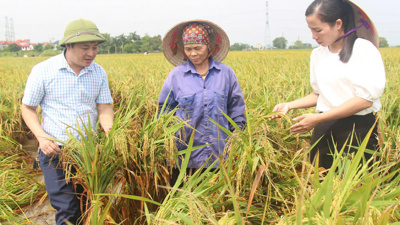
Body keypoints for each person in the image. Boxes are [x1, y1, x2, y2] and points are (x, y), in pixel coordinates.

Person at [270, 0, 385, 170]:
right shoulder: (317, 54)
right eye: (311, 30)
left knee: (357, 188)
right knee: (321, 183)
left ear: (338, 24)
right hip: (324, 130)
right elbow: (319, 94)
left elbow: (365, 100)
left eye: (318, 30)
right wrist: (289, 105)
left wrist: (319, 118)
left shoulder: (364, 50)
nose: (314, 36)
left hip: (356, 130)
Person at [21, 19, 114, 225]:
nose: (91, 53)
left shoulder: (98, 72)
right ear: (68, 46)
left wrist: (109, 130)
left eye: (95, 47)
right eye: (85, 48)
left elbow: (104, 106)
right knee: (67, 207)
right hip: (54, 150)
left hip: (88, 151)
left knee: (87, 206)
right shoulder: (44, 70)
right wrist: (42, 138)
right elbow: (28, 108)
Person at [158, 20, 246, 185]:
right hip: (184, 158)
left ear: (209, 47)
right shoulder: (176, 76)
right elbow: (165, 109)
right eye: (188, 49)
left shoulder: (226, 74)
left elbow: (236, 109)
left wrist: (237, 136)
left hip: (219, 156)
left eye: (198, 48)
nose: (193, 54)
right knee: (183, 202)